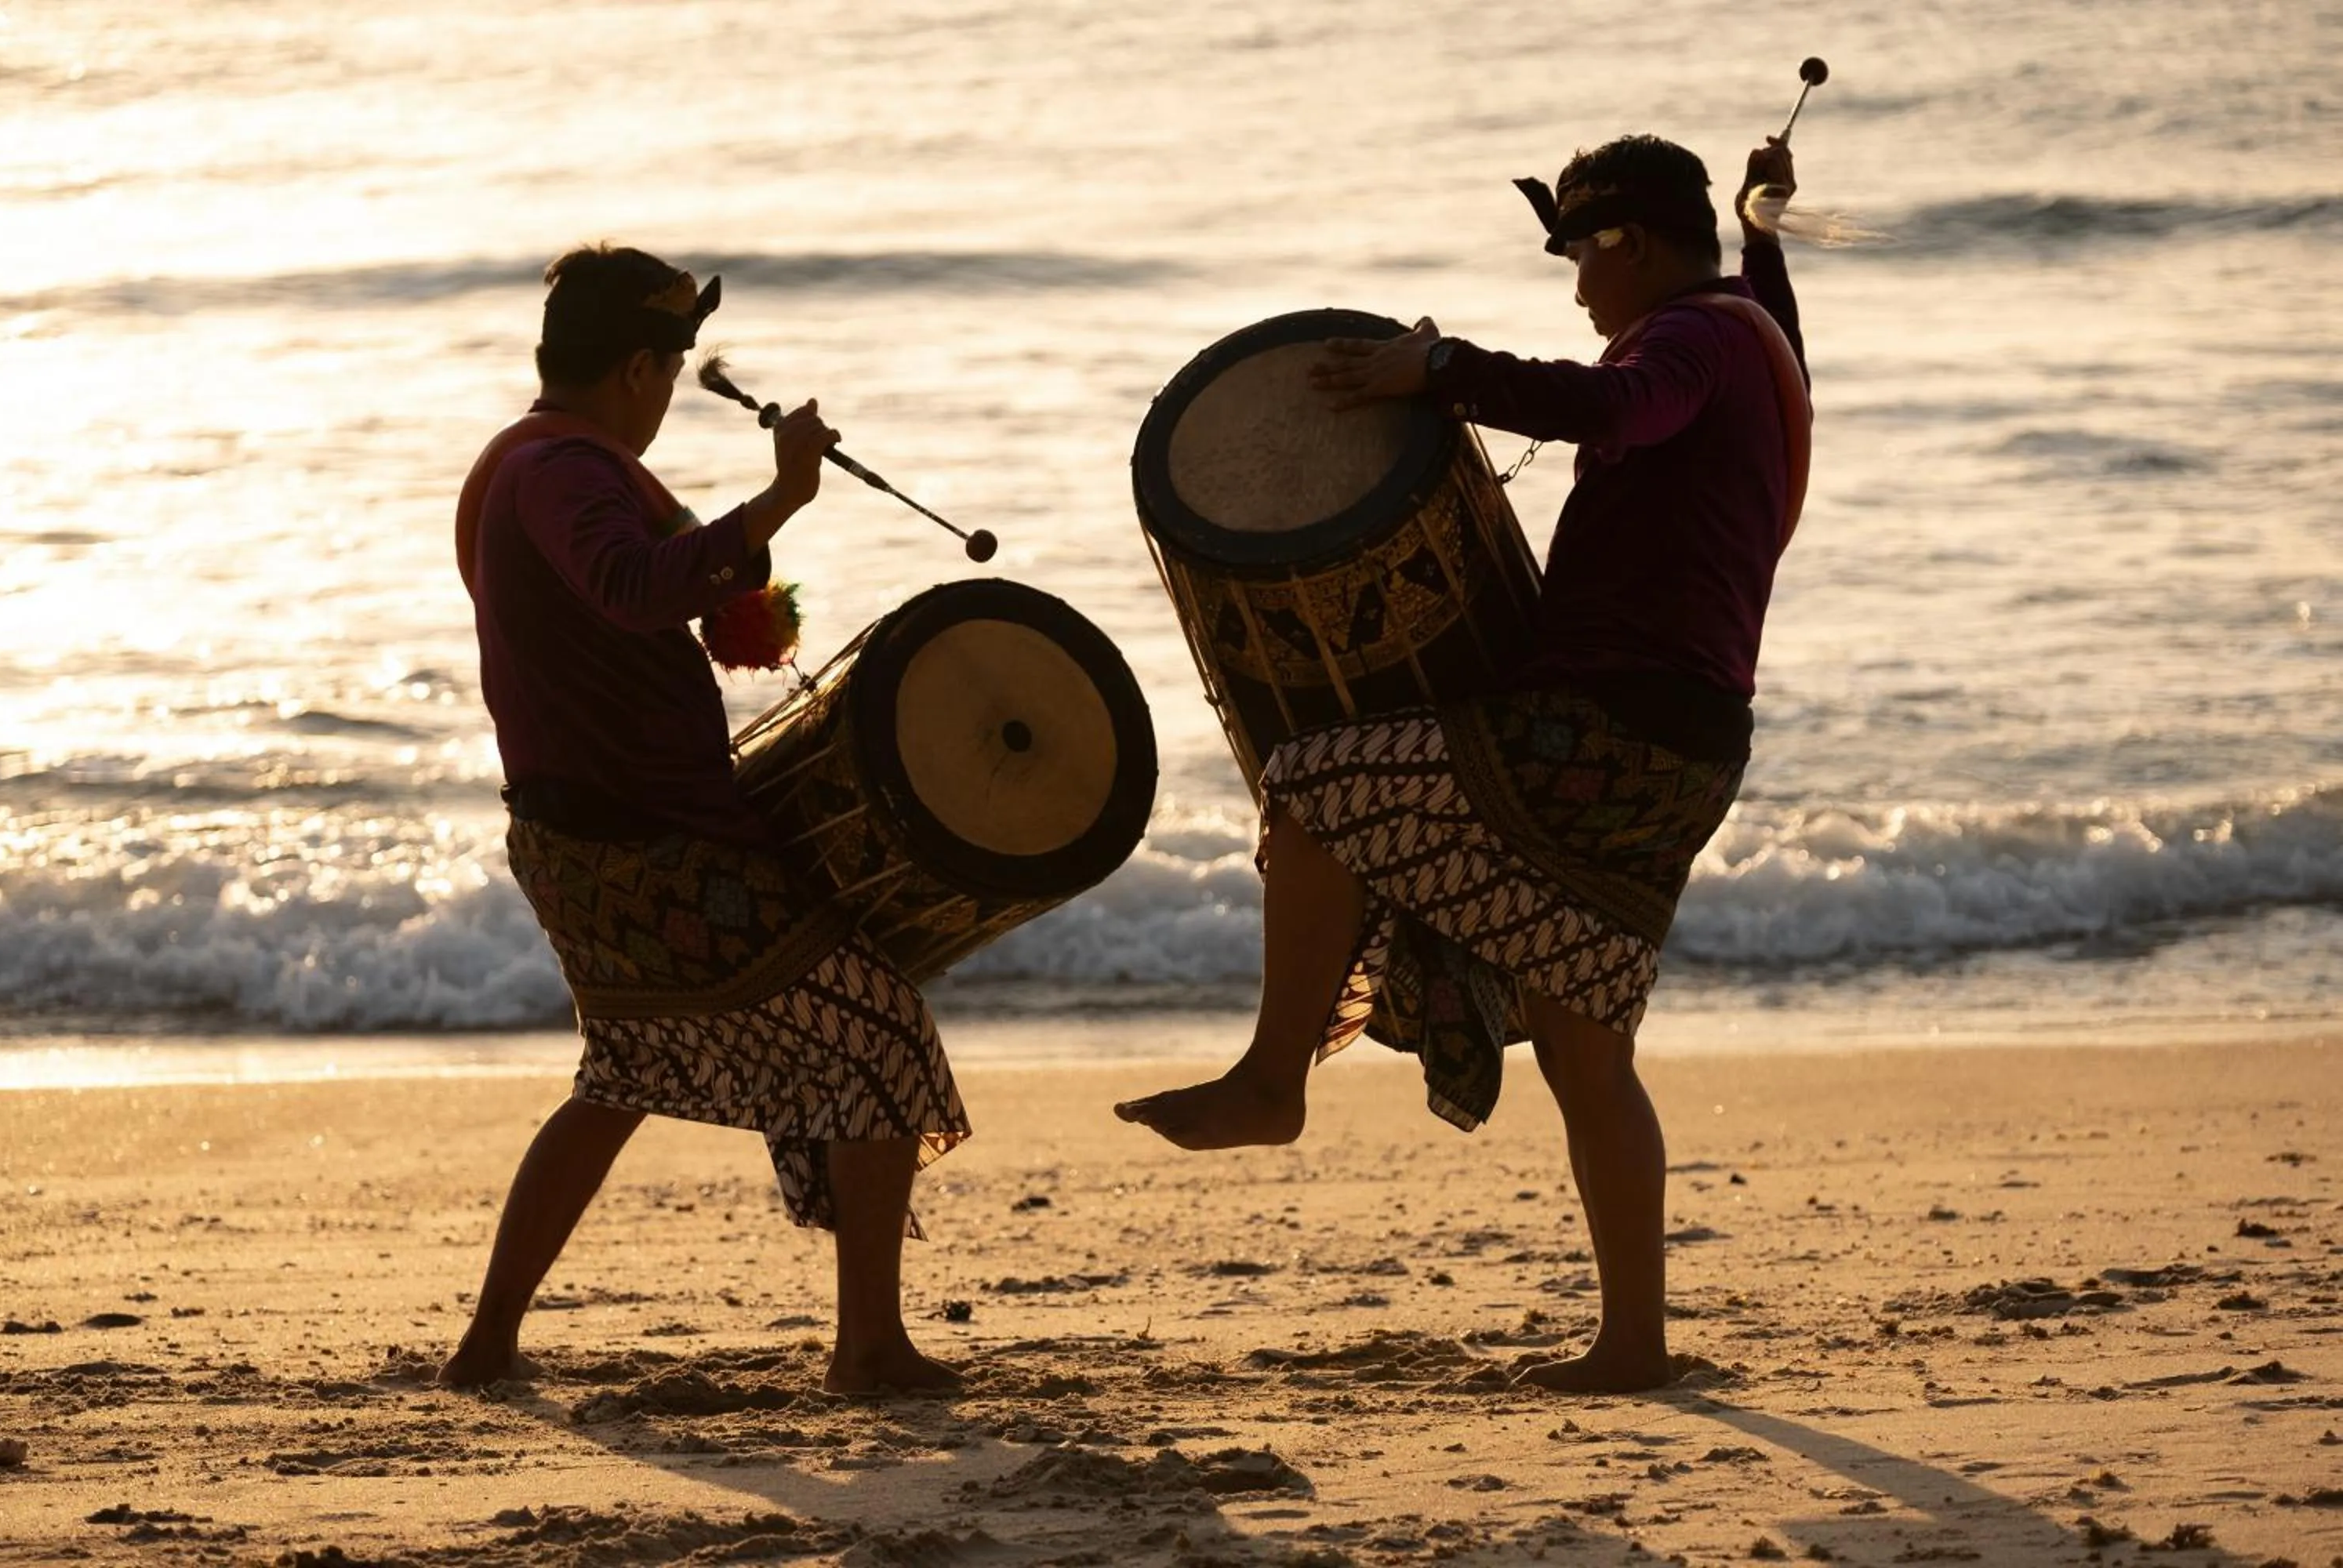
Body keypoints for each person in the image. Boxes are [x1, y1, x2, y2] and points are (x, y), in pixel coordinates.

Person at [1116, 137, 1811, 1393]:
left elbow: (1617, 406)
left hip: (1610, 730)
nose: (1580, 294)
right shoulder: (1750, 326)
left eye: (1583, 261)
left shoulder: (1690, 344)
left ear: (1634, 248)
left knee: (1316, 787)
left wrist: (1437, 370)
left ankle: (1275, 1080)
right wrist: (1763, 217)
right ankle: (1634, 1346)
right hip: (1689, 744)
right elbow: (1769, 294)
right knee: (1586, 1049)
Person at [442, 245, 969, 1395]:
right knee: (878, 1036)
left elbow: (687, 617)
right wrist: (778, 497)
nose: (674, 393)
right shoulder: (564, 471)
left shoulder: (525, 462)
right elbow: (634, 588)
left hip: (578, 833)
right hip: (645, 848)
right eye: (671, 370)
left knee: (625, 1071)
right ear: (639, 366)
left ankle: (487, 1345)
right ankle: (869, 1348)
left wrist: (743, 583)